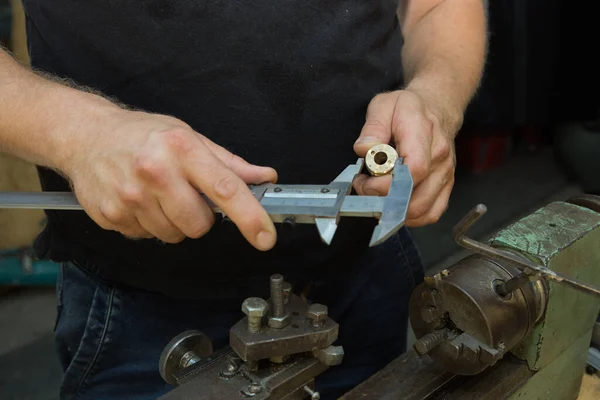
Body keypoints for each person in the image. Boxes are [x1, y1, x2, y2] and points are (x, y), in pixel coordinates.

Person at [0, 1, 486, 399]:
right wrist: (78, 131)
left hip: (367, 279)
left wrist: (436, 98)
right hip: (138, 311)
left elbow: (436, 7)